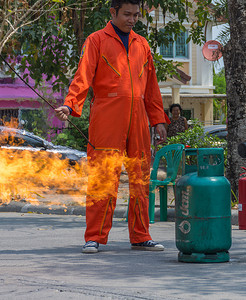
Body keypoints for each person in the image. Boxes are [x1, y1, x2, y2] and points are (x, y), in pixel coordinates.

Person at [54, 0, 168, 254]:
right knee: (103, 178)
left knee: (140, 178)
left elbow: (151, 88)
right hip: (107, 116)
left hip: (138, 118)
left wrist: (158, 119)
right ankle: (94, 236)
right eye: (127, 14)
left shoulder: (142, 44)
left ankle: (141, 235)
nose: (132, 19)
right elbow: (83, 76)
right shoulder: (96, 40)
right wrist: (71, 106)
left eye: (136, 15)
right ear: (113, 12)